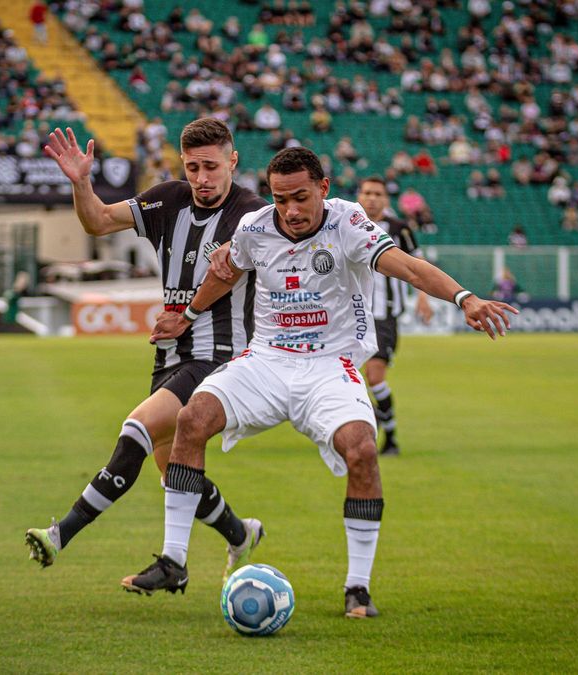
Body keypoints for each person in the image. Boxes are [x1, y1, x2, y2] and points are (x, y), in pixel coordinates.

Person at [122, 147, 516, 617]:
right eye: (280, 198)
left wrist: (464, 297)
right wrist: (186, 316)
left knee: (363, 450)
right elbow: (223, 276)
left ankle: (358, 588)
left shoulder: (348, 223)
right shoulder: (255, 228)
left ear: (323, 190)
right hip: (266, 360)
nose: (290, 210)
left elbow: (407, 267)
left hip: (330, 364)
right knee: (193, 418)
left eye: (301, 198)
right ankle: (174, 560)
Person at [25, 118, 268, 582]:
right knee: (174, 472)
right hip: (172, 355)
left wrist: (188, 315)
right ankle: (241, 534)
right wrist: (82, 183)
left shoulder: (250, 214)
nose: (202, 178)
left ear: (233, 162)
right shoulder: (168, 199)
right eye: (193, 167)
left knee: (136, 428)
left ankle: (61, 535)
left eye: (212, 167)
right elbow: (96, 221)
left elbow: (228, 274)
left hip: (220, 356)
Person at [356, 176, 433, 456]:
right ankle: (361, 423)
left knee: (375, 377)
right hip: (349, 316)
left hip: (383, 317)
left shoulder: (399, 229)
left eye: (377, 193)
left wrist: (423, 296)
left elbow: (419, 263)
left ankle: (390, 437)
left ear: (386, 199)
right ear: (359, 195)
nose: (372, 198)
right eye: (367, 192)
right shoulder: (346, 223)